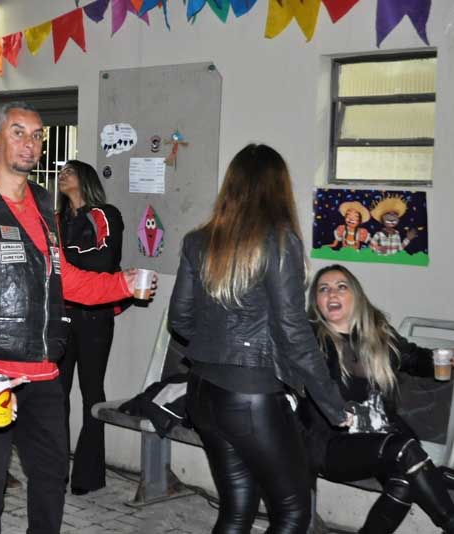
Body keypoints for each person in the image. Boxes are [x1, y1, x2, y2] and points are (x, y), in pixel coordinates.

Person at [0, 101, 149, 534]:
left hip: (44, 371)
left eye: (36, 136)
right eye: (18, 132)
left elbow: (62, 277)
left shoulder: (41, 203)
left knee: (51, 475)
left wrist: (120, 285)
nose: (29, 144)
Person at [168, 143, 352, 534]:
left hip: (202, 392)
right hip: (250, 397)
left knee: (237, 509)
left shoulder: (198, 241)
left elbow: (180, 320)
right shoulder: (280, 241)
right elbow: (293, 332)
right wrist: (334, 406)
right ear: (279, 188)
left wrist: (218, 348)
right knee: (293, 513)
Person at [303, 264, 454, 533]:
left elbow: (415, 359)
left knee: (406, 480)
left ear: (356, 296)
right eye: (323, 289)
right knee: (405, 450)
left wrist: (444, 361)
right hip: (333, 445)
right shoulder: (310, 341)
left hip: (382, 439)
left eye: (341, 287)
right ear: (316, 302)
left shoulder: (378, 334)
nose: (331, 293)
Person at [56, 159, 125, 495]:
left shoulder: (105, 215)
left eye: (69, 171)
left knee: (91, 393)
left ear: (86, 179)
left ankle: (89, 474)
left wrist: (67, 267)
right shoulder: (56, 219)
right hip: (61, 315)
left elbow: (104, 262)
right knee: (56, 395)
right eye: (60, 171)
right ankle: (56, 471)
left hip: (95, 316)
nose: (62, 175)